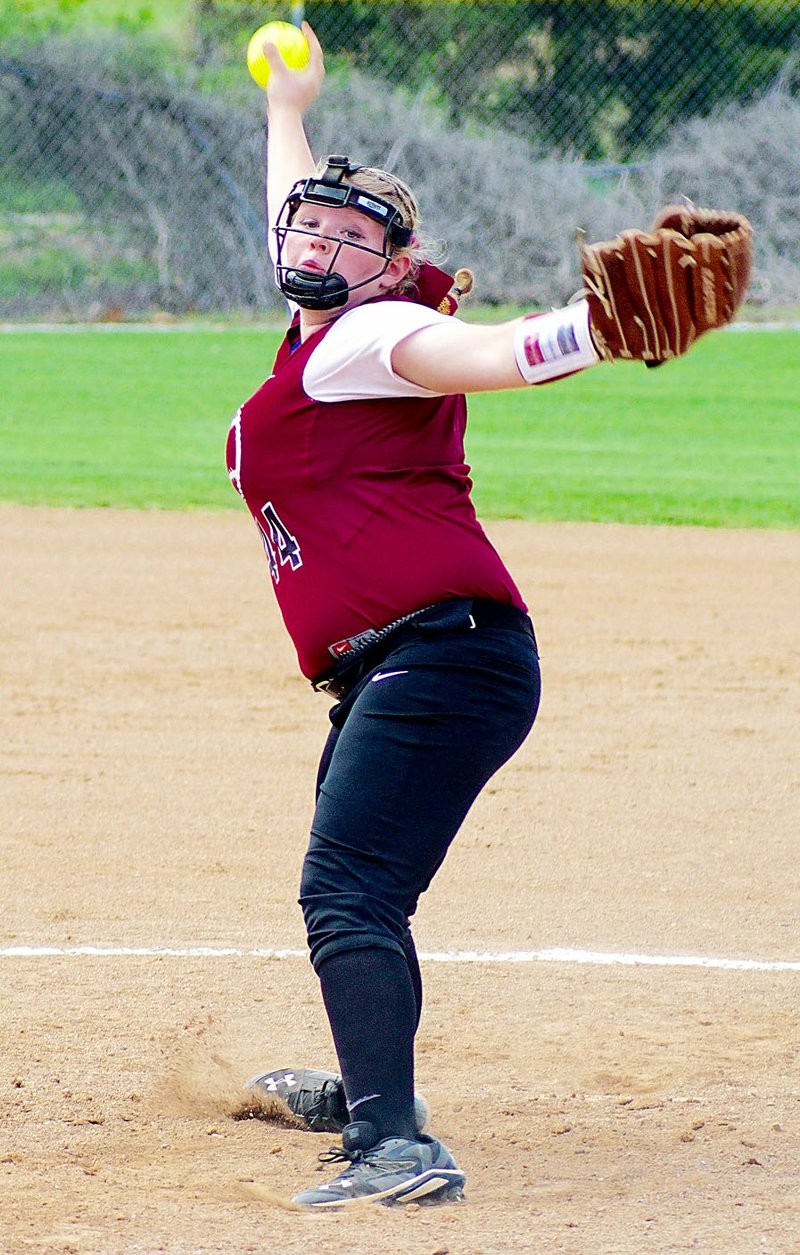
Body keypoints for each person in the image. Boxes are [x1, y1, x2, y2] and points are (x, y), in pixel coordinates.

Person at [227, 24, 721, 1209]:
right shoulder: (316, 331)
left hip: (442, 655)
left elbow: (492, 350)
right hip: (404, 664)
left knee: (345, 887)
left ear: (390, 268)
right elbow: (288, 202)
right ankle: (371, 1088)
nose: (323, 243)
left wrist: (594, 327)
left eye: (358, 239)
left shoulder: (373, 335)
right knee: (357, 883)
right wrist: (284, 108)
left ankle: (394, 1146)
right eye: (311, 226)